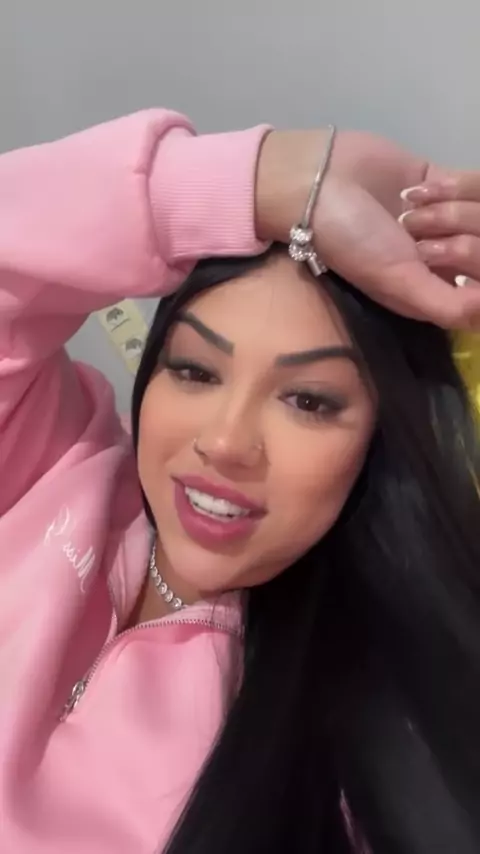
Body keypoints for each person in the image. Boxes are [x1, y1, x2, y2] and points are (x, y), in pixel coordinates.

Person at [1, 107, 480, 854]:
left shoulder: (372, 749)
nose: (224, 443)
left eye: (308, 401)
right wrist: (272, 179)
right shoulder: (42, 460)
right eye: (195, 371)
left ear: (381, 440)